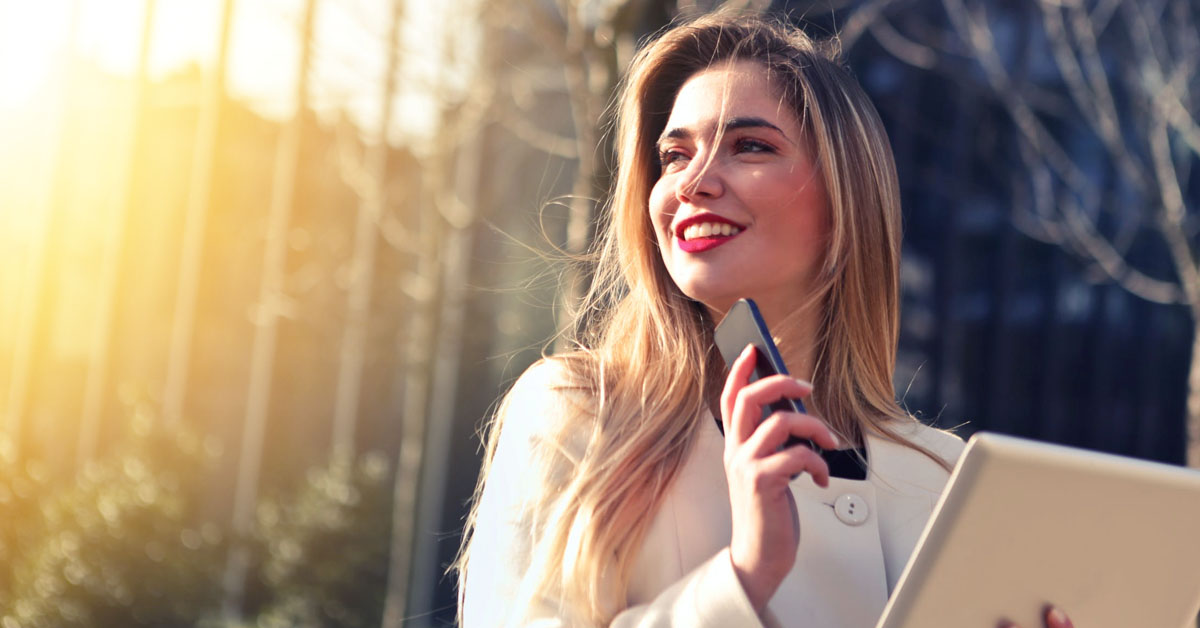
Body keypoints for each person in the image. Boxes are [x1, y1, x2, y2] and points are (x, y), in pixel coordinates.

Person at [455, 11, 1073, 628]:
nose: (692, 182)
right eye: (674, 154)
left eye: (749, 146)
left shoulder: (942, 473)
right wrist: (742, 577)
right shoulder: (579, 413)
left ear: (845, 199)